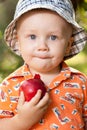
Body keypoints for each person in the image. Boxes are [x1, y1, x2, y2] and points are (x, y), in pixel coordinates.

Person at [0, 0, 87, 130]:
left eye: (53, 37)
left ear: (68, 45)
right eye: (32, 36)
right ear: (19, 42)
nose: (42, 47)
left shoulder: (80, 82)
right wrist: (21, 121)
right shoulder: (9, 86)